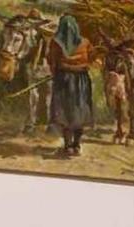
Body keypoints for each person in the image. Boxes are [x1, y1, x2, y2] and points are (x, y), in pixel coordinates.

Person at [47, 15, 94, 157]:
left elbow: (51, 61)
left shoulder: (55, 43)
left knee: (65, 111)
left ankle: (68, 147)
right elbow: (91, 59)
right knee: (79, 110)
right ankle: (77, 145)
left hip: (63, 80)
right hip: (82, 81)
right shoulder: (85, 42)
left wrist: (60, 69)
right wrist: (81, 65)